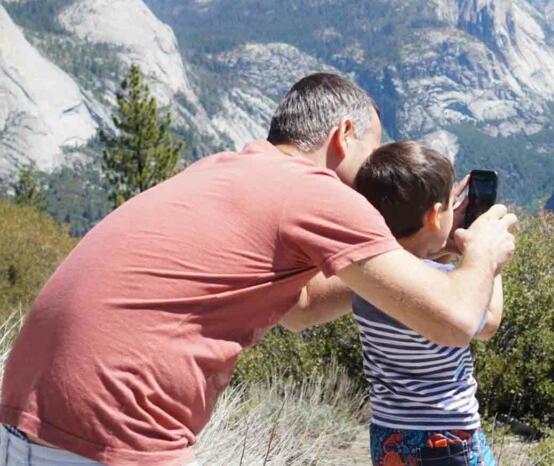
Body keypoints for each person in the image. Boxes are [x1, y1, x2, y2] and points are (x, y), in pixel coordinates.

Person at [0, 73, 514, 466]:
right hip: (113, 436)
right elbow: (455, 319)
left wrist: (408, 264)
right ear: (344, 135)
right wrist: (483, 249)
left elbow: (302, 307)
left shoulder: (225, 168)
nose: (376, 176)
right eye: (373, 151)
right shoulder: (318, 192)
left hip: (23, 422)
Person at [350, 141, 502, 466]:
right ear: (434, 216)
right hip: (445, 435)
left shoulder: (366, 282)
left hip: (389, 435)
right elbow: (487, 323)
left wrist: (441, 240)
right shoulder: (445, 286)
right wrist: (487, 257)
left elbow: (409, 262)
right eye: (450, 205)